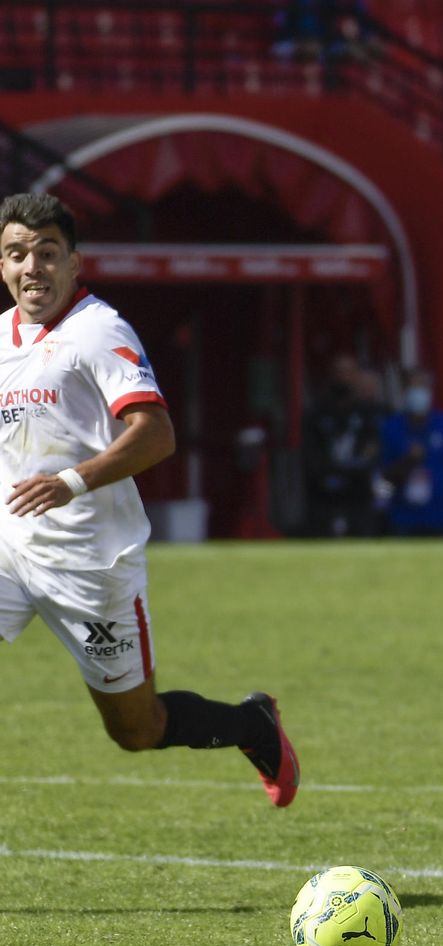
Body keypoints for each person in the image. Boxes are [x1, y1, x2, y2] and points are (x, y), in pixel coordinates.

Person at [0, 192, 297, 806]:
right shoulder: (1, 337)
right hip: (9, 550)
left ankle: (252, 726)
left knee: (136, 730)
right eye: (17, 253)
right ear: (2, 265)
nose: (33, 267)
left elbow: (156, 435)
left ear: (75, 262)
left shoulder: (98, 331)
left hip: (91, 564)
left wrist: (71, 481)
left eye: (48, 253)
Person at [379, 369, 443, 536]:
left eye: (423, 388)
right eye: (413, 388)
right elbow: (383, 478)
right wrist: (381, 509)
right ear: (404, 392)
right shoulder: (391, 428)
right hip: (403, 519)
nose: (419, 394)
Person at [302, 354, 382, 537]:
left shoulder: (370, 413)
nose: (343, 377)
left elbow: (374, 451)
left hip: (360, 493)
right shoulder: (316, 414)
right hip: (324, 494)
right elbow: (311, 454)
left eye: (348, 372)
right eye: (339, 372)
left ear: (356, 376)